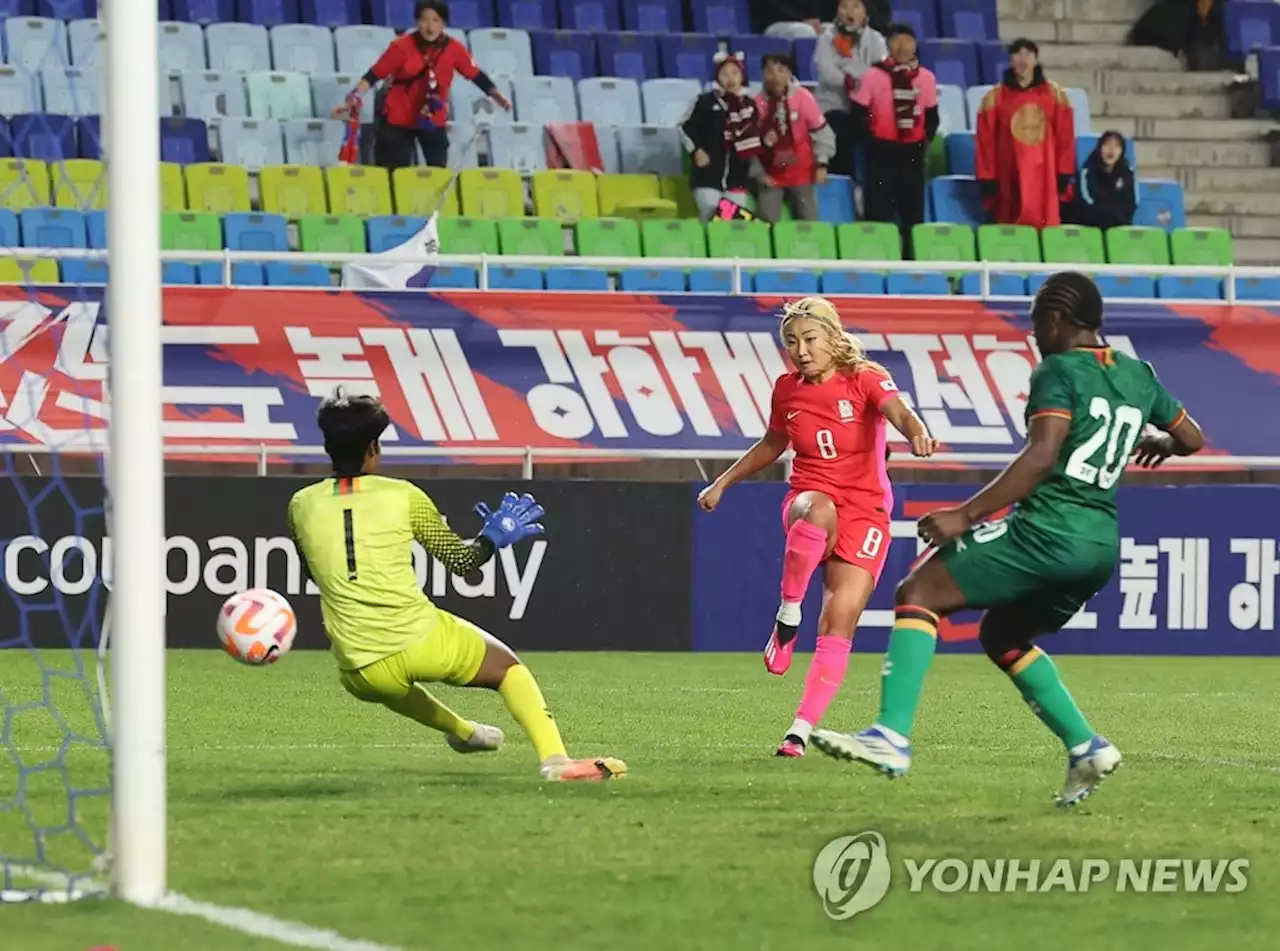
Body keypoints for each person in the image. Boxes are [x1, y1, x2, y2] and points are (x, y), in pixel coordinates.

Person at [812, 272, 1206, 806]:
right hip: (1098, 547)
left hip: (1047, 530)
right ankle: (1085, 745)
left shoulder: (1059, 370)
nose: (1035, 334)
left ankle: (891, 735)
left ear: (1057, 320)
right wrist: (1159, 439)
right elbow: (1191, 437)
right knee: (1004, 636)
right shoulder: (1138, 374)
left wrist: (967, 515)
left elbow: (1042, 455)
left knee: (918, 593)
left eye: (1038, 322)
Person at [287, 389, 626, 783]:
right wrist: (493, 537)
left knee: (390, 686)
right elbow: (462, 562)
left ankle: (466, 733)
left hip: (358, 666)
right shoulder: (403, 496)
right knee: (509, 669)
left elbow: (314, 573)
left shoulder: (301, 505)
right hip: (418, 638)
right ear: (373, 448)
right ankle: (556, 762)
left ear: (328, 447)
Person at [697, 297, 937, 758]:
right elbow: (773, 443)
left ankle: (800, 730)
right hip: (809, 495)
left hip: (867, 510)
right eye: (791, 342)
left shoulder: (865, 377)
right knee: (817, 511)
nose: (801, 350)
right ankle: (788, 614)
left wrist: (917, 432)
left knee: (840, 619)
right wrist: (723, 482)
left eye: (809, 339)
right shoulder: (787, 389)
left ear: (833, 337)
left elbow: (898, 411)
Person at [332, 0, 510, 171]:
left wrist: (496, 95)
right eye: (424, 20)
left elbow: (476, 75)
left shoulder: (454, 49)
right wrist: (353, 98)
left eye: (435, 20)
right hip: (398, 117)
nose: (429, 26)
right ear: (417, 22)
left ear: (443, 23)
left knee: (437, 172)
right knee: (393, 174)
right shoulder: (401, 46)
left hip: (433, 118)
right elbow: (373, 75)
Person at [850, 23, 938, 258]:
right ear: (888, 44)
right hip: (881, 155)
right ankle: (876, 261)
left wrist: (922, 142)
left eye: (908, 41)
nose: (902, 46)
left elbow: (931, 117)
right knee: (878, 213)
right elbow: (858, 114)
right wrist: (874, 141)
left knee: (913, 216)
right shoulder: (872, 76)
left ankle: (911, 264)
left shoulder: (926, 78)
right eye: (897, 40)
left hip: (912, 155)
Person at [975, 39, 1076, 229]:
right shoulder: (994, 98)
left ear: (1036, 60)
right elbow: (985, 141)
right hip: (1008, 174)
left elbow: (1065, 136)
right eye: (1017, 54)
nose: (1023, 59)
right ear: (1010, 60)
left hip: (1044, 176)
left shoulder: (1055, 95)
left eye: (1028, 54)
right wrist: (987, 176)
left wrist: (1064, 171)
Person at [678, 51, 764, 221]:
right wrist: (696, 151)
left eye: (735, 73)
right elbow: (684, 128)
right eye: (724, 74)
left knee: (736, 225)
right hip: (707, 177)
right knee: (712, 218)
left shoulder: (750, 106)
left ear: (742, 76)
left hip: (737, 180)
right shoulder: (704, 102)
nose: (730, 78)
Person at [754, 53, 836, 222]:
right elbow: (748, 146)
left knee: (809, 223)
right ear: (762, 74)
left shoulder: (803, 98)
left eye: (781, 70)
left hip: (802, 174)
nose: (775, 76)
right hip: (770, 175)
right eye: (770, 70)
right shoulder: (755, 103)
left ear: (790, 73)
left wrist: (821, 163)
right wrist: (758, 173)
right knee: (767, 225)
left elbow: (822, 133)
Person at [814, 0, 886, 180]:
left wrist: (854, 77)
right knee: (838, 132)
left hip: (866, 107)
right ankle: (844, 185)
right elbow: (827, 73)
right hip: (832, 105)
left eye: (855, 6)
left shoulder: (876, 39)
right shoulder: (826, 38)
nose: (849, 12)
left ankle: (872, 189)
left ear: (865, 11)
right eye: (844, 6)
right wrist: (853, 81)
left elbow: (881, 73)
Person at [1065, 131, 1137, 230]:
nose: (1111, 150)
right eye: (1107, 145)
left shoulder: (1128, 173)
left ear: (1122, 151)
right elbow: (1086, 202)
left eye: (1116, 146)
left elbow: (1132, 202)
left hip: (1119, 228)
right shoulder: (1087, 172)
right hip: (1091, 229)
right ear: (1100, 148)